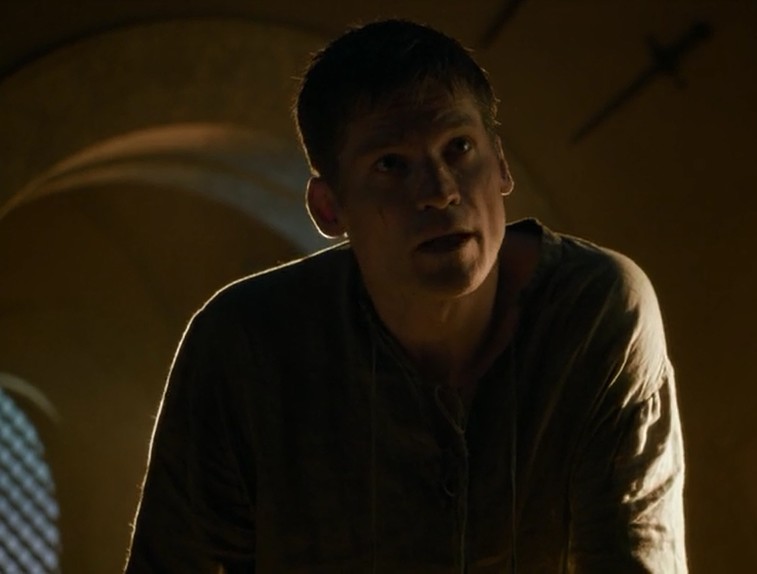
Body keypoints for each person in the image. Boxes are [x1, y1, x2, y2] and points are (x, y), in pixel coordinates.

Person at [125, 19, 685, 573]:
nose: (440, 192)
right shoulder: (245, 346)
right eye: (391, 164)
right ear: (329, 207)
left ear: (501, 164)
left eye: (459, 148)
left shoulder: (594, 313)